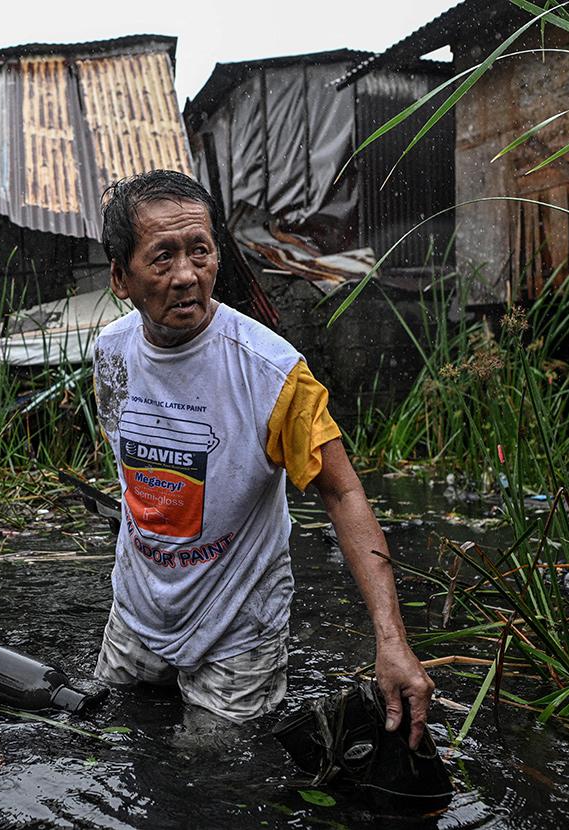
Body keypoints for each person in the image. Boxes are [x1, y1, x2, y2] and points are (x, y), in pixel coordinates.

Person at [91, 169, 433, 747]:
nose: (185, 276)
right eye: (162, 257)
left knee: (209, 774)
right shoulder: (111, 354)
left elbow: (343, 492)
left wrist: (391, 639)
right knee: (111, 738)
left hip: (237, 631)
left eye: (199, 251)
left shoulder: (272, 373)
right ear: (121, 278)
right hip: (136, 614)